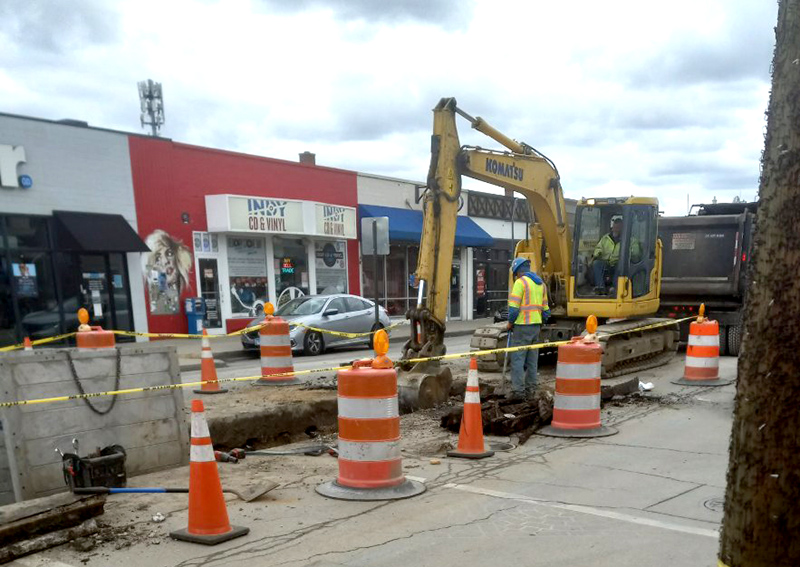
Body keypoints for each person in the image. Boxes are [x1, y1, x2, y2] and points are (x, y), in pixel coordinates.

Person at [506, 257, 550, 401]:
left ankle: (518, 392)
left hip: (522, 326)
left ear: (517, 271)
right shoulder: (541, 284)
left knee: (518, 359)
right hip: (536, 327)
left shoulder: (520, 283)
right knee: (532, 360)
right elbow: (546, 311)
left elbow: (513, 309)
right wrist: (540, 322)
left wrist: (510, 323)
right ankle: (531, 390)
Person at [591, 215, 642, 294]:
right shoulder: (605, 238)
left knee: (620, 265)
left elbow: (636, 253)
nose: (616, 229)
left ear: (623, 228)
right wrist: (598, 253)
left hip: (620, 264)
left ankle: (615, 288)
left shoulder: (631, 240)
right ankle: (600, 287)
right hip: (607, 263)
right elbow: (598, 248)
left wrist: (628, 254)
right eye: (615, 227)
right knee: (596, 264)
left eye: (618, 228)